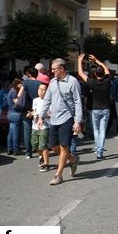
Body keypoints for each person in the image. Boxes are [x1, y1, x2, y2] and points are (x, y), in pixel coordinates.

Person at [37, 58, 82, 186]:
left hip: (67, 118)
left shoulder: (73, 82)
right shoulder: (52, 82)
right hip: (54, 119)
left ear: (61, 68)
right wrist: (41, 116)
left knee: (64, 146)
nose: (52, 71)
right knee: (54, 146)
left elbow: (78, 102)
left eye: (54, 69)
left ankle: (58, 175)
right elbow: (47, 100)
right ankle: (73, 159)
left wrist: (77, 121)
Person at [77, 54, 111, 161]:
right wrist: (97, 60)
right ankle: (100, 151)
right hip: (106, 109)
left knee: (96, 130)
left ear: (95, 74)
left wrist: (79, 61)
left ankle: (98, 149)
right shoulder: (107, 80)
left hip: (95, 109)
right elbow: (107, 70)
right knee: (103, 130)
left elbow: (80, 73)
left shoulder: (92, 83)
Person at [21, 68, 42, 159]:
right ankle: (39, 150)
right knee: (39, 129)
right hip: (37, 108)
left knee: (27, 130)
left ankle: (28, 153)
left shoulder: (25, 83)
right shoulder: (40, 83)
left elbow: (19, 94)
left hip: (26, 109)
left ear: (29, 74)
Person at [31, 82, 51, 172]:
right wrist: (31, 114)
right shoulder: (35, 100)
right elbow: (33, 111)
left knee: (43, 145)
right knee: (34, 144)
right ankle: (41, 156)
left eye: (43, 90)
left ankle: (46, 164)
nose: (41, 91)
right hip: (34, 125)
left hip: (44, 125)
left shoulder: (49, 101)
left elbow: (51, 114)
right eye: (40, 89)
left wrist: (42, 116)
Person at [6, 78, 23, 155]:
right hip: (15, 113)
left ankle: (10, 148)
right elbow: (17, 103)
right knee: (16, 132)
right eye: (20, 84)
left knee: (11, 132)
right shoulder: (14, 92)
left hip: (10, 113)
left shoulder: (11, 91)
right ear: (17, 84)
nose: (21, 86)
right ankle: (16, 149)